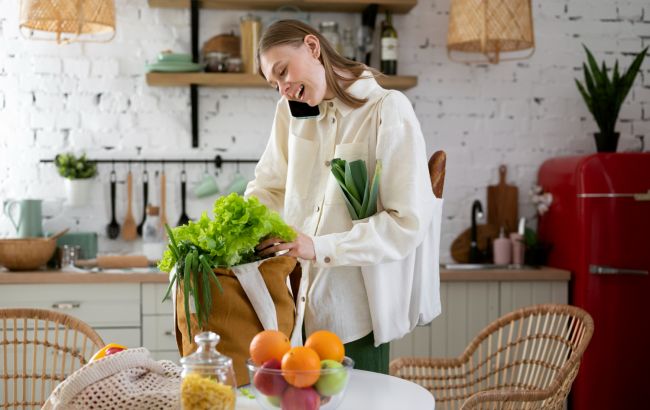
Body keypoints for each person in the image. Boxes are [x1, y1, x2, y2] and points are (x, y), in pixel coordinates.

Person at [245, 20, 438, 374]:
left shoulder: (387, 110)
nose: (282, 89)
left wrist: (317, 247)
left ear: (313, 47)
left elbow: (405, 223)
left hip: (355, 319)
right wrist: (241, 230)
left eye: (283, 71)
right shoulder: (291, 112)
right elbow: (269, 187)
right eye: (274, 83)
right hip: (292, 310)